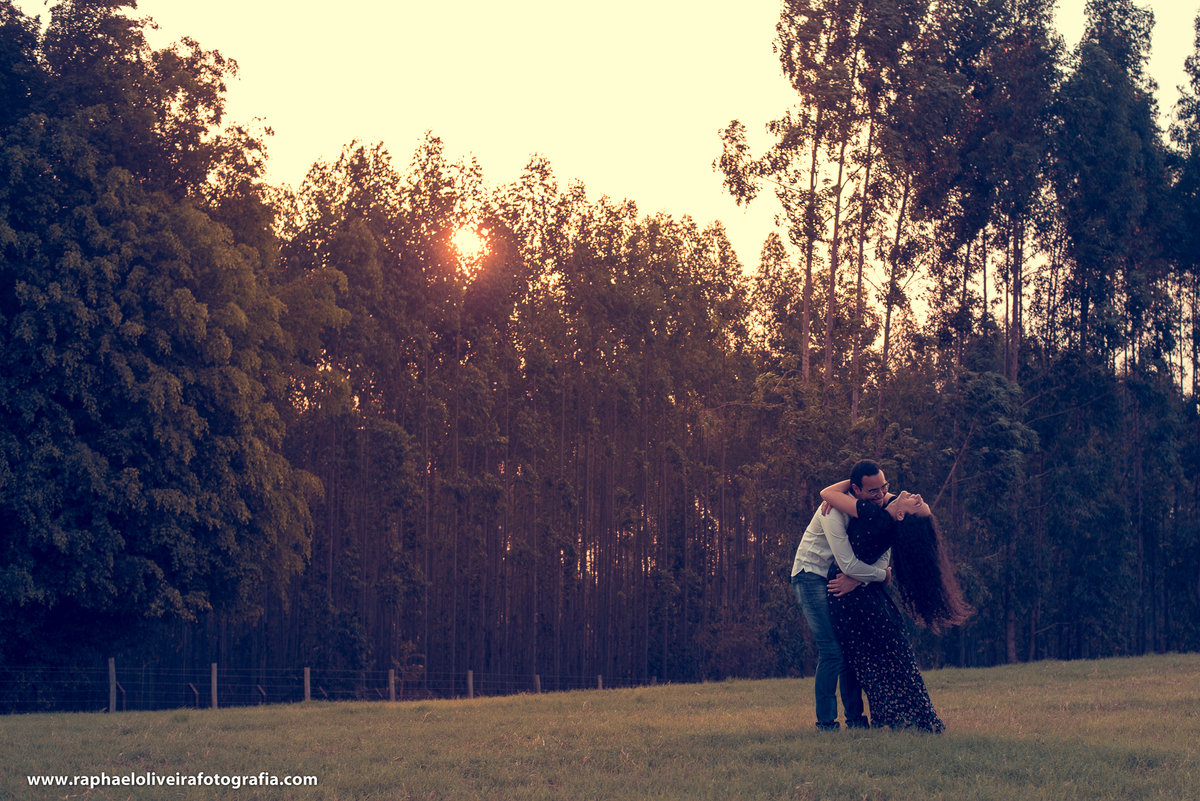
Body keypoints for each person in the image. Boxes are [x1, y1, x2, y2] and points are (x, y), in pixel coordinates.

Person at [820, 472, 973, 733]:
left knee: (878, 660)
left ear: (901, 515)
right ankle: (901, 718)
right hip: (857, 596)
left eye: (916, 503)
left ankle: (892, 718)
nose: (917, 496)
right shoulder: (887, 519)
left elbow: (827, 494)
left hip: (853, 598)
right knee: (886, 659)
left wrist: (853, 484)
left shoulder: (874, 517)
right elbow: (887, 498)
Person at [790, 461, 892, 731]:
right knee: (833, 650)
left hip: (835, 576)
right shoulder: (833, 511)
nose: (880, 496)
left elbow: (882, 552)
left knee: (849, 649)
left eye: (884, 488)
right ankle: (826, 724)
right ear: (855, 489)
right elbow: (847, 564)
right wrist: (883, 576)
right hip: (810, 574)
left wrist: (861, 578)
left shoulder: (873, 507)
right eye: (873, 491)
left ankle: (857, 722)